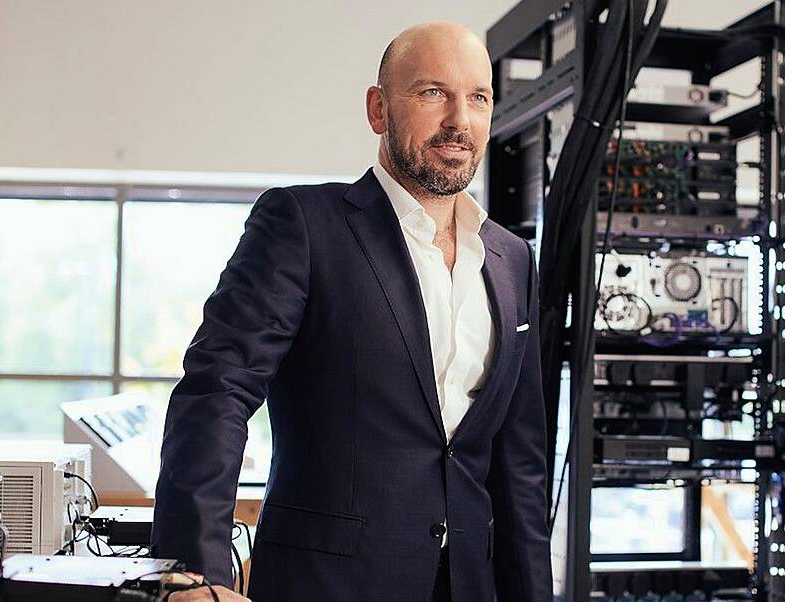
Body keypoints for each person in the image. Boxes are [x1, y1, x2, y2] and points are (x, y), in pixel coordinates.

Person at [153, 21, 552, 601]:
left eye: (478, 98)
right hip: (326, 584)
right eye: (433, 92)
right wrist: (193, 572)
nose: (459, 121)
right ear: (378, 109)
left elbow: (521, 462)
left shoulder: (511, 259)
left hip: (468, 585)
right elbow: (218, 392)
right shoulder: (303, 225)